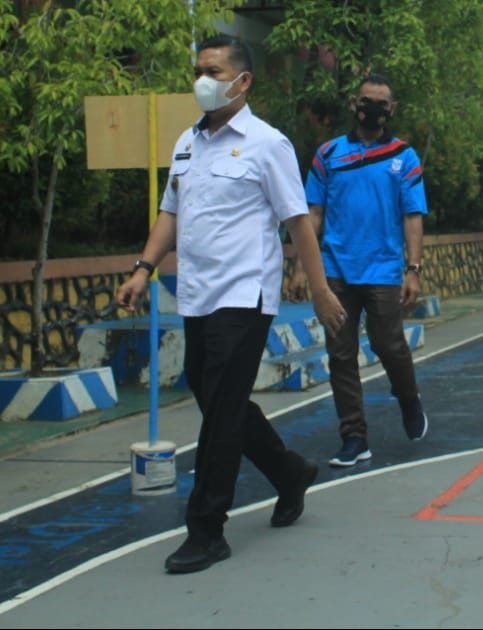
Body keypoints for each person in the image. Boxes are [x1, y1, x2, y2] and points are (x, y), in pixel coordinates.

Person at [115, 35, 346, 575]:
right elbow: (170, 212)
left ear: (242, 81)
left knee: (220, 412)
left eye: (213, 70)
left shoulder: (269, 144)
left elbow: (298, 222)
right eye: (198, 69)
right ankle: (288, 472)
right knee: (218, 398)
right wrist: (143, 268)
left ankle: (206, 529)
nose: (203, 80)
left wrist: (317, 287)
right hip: (197, 294)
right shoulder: (188, 143)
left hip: (245, 295)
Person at [287, 74, 429, 469]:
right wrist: (301, 268)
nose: (373, 108)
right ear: (354, 104)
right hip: (334, 271)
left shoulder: (404, 156)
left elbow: (412, 217)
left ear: (392, 109)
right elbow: (311, 215)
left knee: (389, 346)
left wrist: (412, 269)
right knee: (341, 354)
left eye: (382, 103)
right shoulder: (328, 154)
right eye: (367, 100)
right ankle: (353, 437)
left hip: (383, 269)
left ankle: (408, 397)